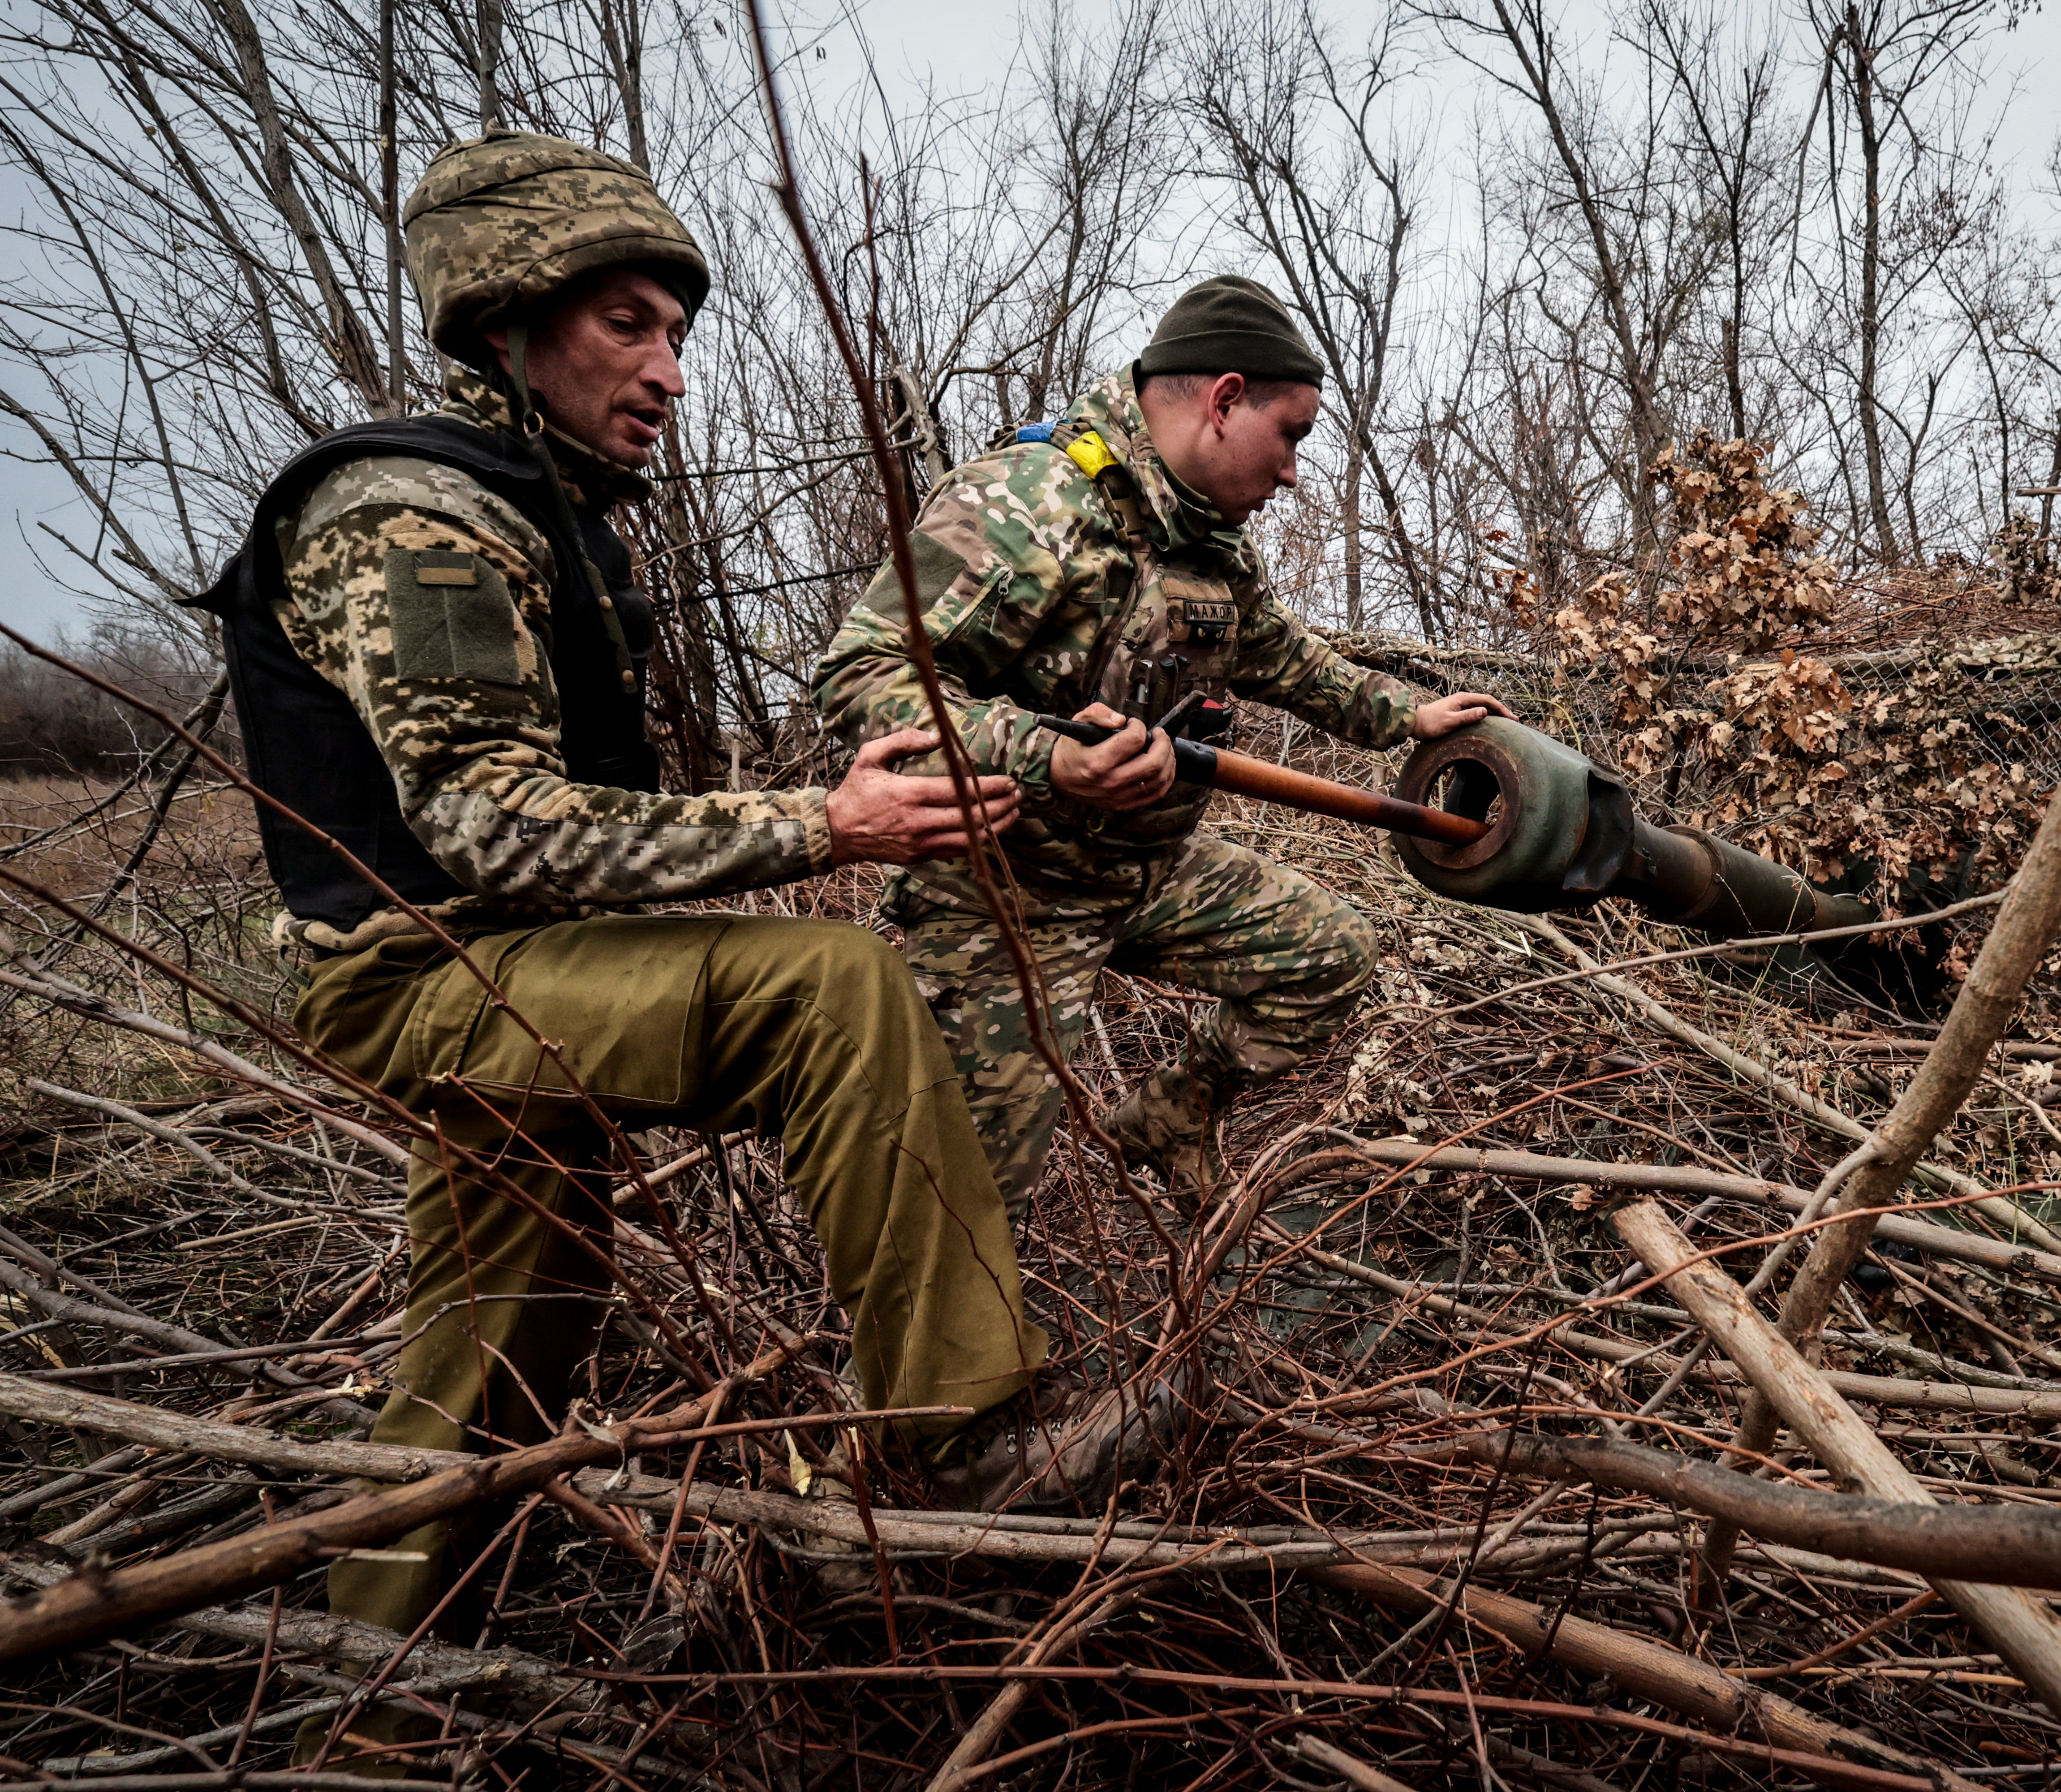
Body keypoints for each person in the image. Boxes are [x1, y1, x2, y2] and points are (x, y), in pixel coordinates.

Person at [190, 133, 1156, 1761]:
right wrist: (816, 828)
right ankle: (958, 1429)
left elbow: (556, 824)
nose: (671, 372)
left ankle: (376, 1699)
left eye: (678, 331)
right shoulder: (418, 513)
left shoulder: (539, 515)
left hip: (505, 968)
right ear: (512, 326)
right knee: (831, 981)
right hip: (426, 967)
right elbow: (490, 828)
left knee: (505, 1315)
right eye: (630, 325)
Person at [812, 276, 1512, 1214]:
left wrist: (1403, 713)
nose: (1296, 471)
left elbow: (1279, 654)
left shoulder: (1212, 541)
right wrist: (1046, 753)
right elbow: (862, 675)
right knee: (965, 1210)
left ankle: (1172, 1116)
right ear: (1224, 401)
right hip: (1007, 897)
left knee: (1333, 954)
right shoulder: (1033, 501)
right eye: (1293, 435)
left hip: (1144, 871)